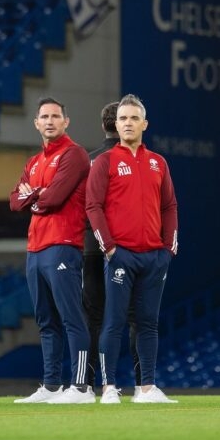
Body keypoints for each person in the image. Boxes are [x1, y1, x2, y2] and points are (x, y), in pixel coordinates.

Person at [86, 93, 179, 404]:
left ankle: (147, 388)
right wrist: (109, 248)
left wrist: (168, 248)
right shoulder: (104, 161)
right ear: (116, 123)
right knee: (114, 321)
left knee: (148, 322)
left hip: (154, 257)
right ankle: (109, 387)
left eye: (133, 118)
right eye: (122, 118)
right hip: (120, 255)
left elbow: (169, 206)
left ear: (144, 124)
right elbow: (93, 206)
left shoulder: (158, 163)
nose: (127, 123)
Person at [9, 96, 95, 404]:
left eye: (55, 116)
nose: (49, 121)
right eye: (44, 116)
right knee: (46, 321)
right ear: (36, 123)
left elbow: (54, 199)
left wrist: (34, 195)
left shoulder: (75, 155)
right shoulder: (33, 162)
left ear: (65, 121)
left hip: (63, 245)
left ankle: (82, 387)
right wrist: (37, 195)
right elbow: (13, 201)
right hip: (35, 249)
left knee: (72, 318)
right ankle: (51, 386)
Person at [83, 101, 141, 393]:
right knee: (132, 316)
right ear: (118, 124)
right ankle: (142, 384)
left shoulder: (88, 161)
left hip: (91, 248)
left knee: (94, 317)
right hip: (125, 248)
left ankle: (91, 384)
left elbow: (83, 207)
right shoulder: (133, 160)